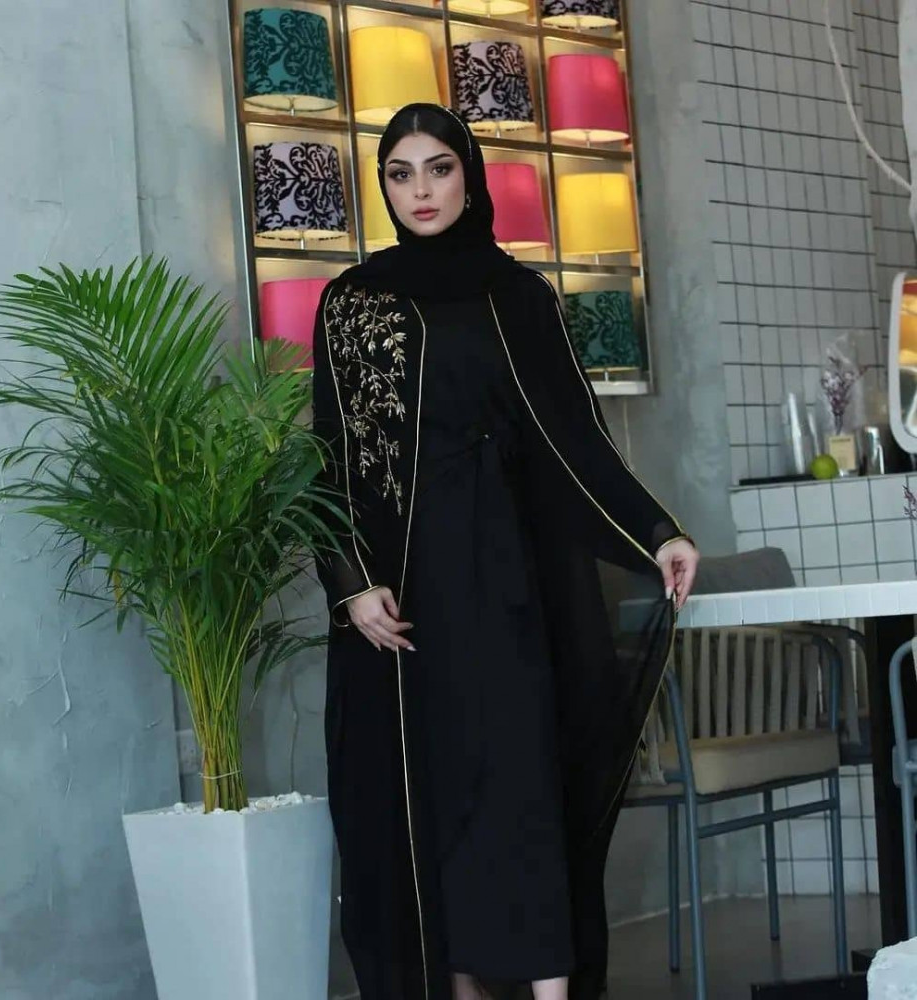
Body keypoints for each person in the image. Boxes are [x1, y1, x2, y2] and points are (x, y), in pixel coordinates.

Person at [311, 103, 699, 1000]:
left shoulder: (519, 297)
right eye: (400, 173)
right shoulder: (352, 303)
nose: (420, 190)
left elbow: (578, 439)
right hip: (405, 601)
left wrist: (658, 531)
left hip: (512, 583)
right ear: (383, 187)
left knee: (523, 787)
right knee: (436, 797)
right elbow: (328, 459)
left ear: (470, 175)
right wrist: (352, 586)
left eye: (438, 168)